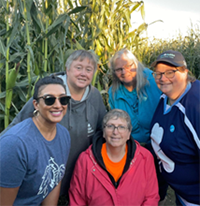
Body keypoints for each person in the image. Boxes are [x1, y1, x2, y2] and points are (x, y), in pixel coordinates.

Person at [0, 50, 107, 196]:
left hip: (76, 176)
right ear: (67, 69)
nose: (83, 73)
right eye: (78, 68)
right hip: (42, 178)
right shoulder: (49, 93)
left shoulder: (94, 96)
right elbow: (18, 123)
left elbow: (103, 129)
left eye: (89, 70)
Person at [0, 76, 71, 206]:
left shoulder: (63, 135)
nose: (58, 105)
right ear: (36, 105)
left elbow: (54, 181)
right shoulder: (15, 144)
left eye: (63, 99)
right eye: (49, 100)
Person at [68, 109, 159, 206]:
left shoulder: (145, 157)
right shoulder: (86, 160)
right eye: (110, 126)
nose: (115, 132)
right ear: (103, 132)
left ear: (129, 133)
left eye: (121, 127)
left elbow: (151, 197)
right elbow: (77, 200)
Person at [150, 50, 200, 206]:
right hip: (182, 196)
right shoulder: (165, 97)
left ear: (185, 72)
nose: (163, 78)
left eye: (170, 72)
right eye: (158, 73)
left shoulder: (195, 105)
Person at [108, 48, 161, 145]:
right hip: (131, 147)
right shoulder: (113, 93)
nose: (124, 72)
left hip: (159, 143)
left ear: (136, 64)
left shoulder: (154, 81)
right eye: (119, 69)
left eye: (128, 66)